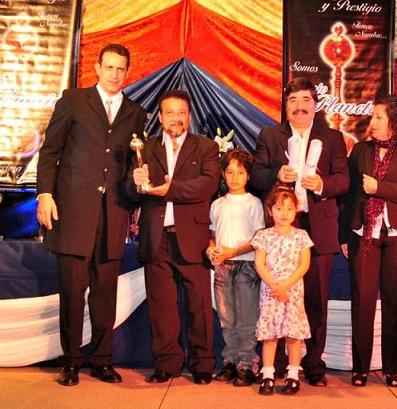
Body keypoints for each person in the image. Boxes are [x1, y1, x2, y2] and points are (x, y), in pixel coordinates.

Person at [36, 43, 146, 386]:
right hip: (72, 215)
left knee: (104, 295)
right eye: (109, 67)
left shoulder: (136, 113)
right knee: (72, 293)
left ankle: (101, 361)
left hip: (113, 215)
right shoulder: (73, 100)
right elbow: (50, 152)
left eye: (121, 68)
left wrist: (136, 188)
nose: (115, 74)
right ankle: (70, 362)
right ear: (97, 68)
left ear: (128, 72)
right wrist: (44, 194)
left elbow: (131, 168)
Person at [250, 77, 349, 386]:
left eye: (306, 100)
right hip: (281, 229)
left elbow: (343, 179)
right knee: (278, 295)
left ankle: (314, 364)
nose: (299, 106)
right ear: (285, 106)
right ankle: (278, 364)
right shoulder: (270, 135)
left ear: (315, 105)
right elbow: (255, 175)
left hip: (318, 227)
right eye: (293, 101)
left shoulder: (332, 138)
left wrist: (322, 184)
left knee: (316, 299)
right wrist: (276, 174)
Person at [127, 89, 220, 384]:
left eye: (181, 112)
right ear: (160, 117)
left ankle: (202, 364)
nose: (175, 118)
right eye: (169, 112)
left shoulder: (205, 147)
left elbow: (208, 184)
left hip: (192, 238)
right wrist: (134, 183)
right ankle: (167, 364)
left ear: (189, 117)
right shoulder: (145, 148)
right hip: (156, 239)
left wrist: (172, 189)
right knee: (161, 307)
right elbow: (131, 194)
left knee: (199, 306)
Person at [340, 95, 397, 387]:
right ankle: (360, 368)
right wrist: (344, 234)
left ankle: (392, 368)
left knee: (395, 302)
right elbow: (349, 196)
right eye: (372, 116)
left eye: (379, 117)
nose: (372, 122)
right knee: (362, 301)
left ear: (395, 121)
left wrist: (380, 188)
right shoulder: (361, 150)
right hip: (363, 235)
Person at [207, 148, 265, 386]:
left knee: (246, 319)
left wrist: (232, 252)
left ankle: (247, 364)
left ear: (248, 175)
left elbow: (257, 238)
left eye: (240, 172)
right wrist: (211, 248)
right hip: (222, 267)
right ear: (223, 174)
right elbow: (212, 234)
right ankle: (230, 361)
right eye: (229, 172)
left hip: (246, 267)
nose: (234, 177)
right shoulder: (217, 204)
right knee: (226, 318)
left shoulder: (254, 203)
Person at [252, 186, 312, 395]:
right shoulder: (263, 236)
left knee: (293, 335)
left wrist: (286, 285)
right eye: (279, 208)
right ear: (270, 211)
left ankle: (293, 375)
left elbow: (304, 265)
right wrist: (275, 285)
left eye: (289, 208)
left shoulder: (301, 236)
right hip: (270, 292)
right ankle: (268, 375)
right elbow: (259, 264)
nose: (284, 213)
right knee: (270, 335)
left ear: (296, 210)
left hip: (293, 292)